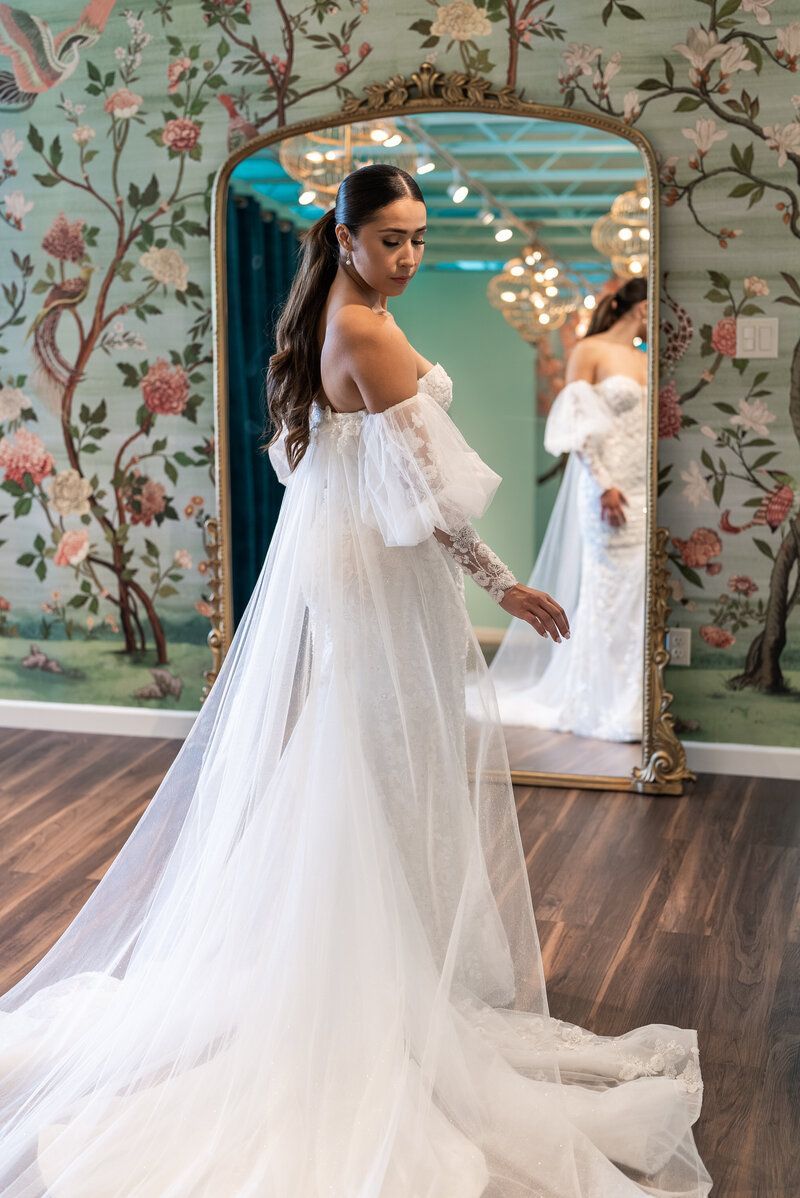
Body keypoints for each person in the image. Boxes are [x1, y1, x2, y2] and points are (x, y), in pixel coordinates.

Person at [0, 166, 710, 1196]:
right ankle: (367, 1005)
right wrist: (506, 588)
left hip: (356, 571)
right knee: (385, 771)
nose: (409, 257)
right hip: (376, 581)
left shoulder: (338, 310)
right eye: (391, 238)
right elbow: (426, 488)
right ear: (343, 234)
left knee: (364, 769)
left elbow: (350, 469)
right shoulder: (367, 331)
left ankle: (361, 978)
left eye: (419, 237)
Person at [490, 278, 649, 743]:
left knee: (639, 591)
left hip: (641, 486)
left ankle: (634, 699)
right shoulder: (591, 350)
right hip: (605, 486)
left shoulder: (645, 358)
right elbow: (575, 424)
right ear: (638, 307)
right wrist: (603, 484)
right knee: (610, 589)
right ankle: (599, 701)